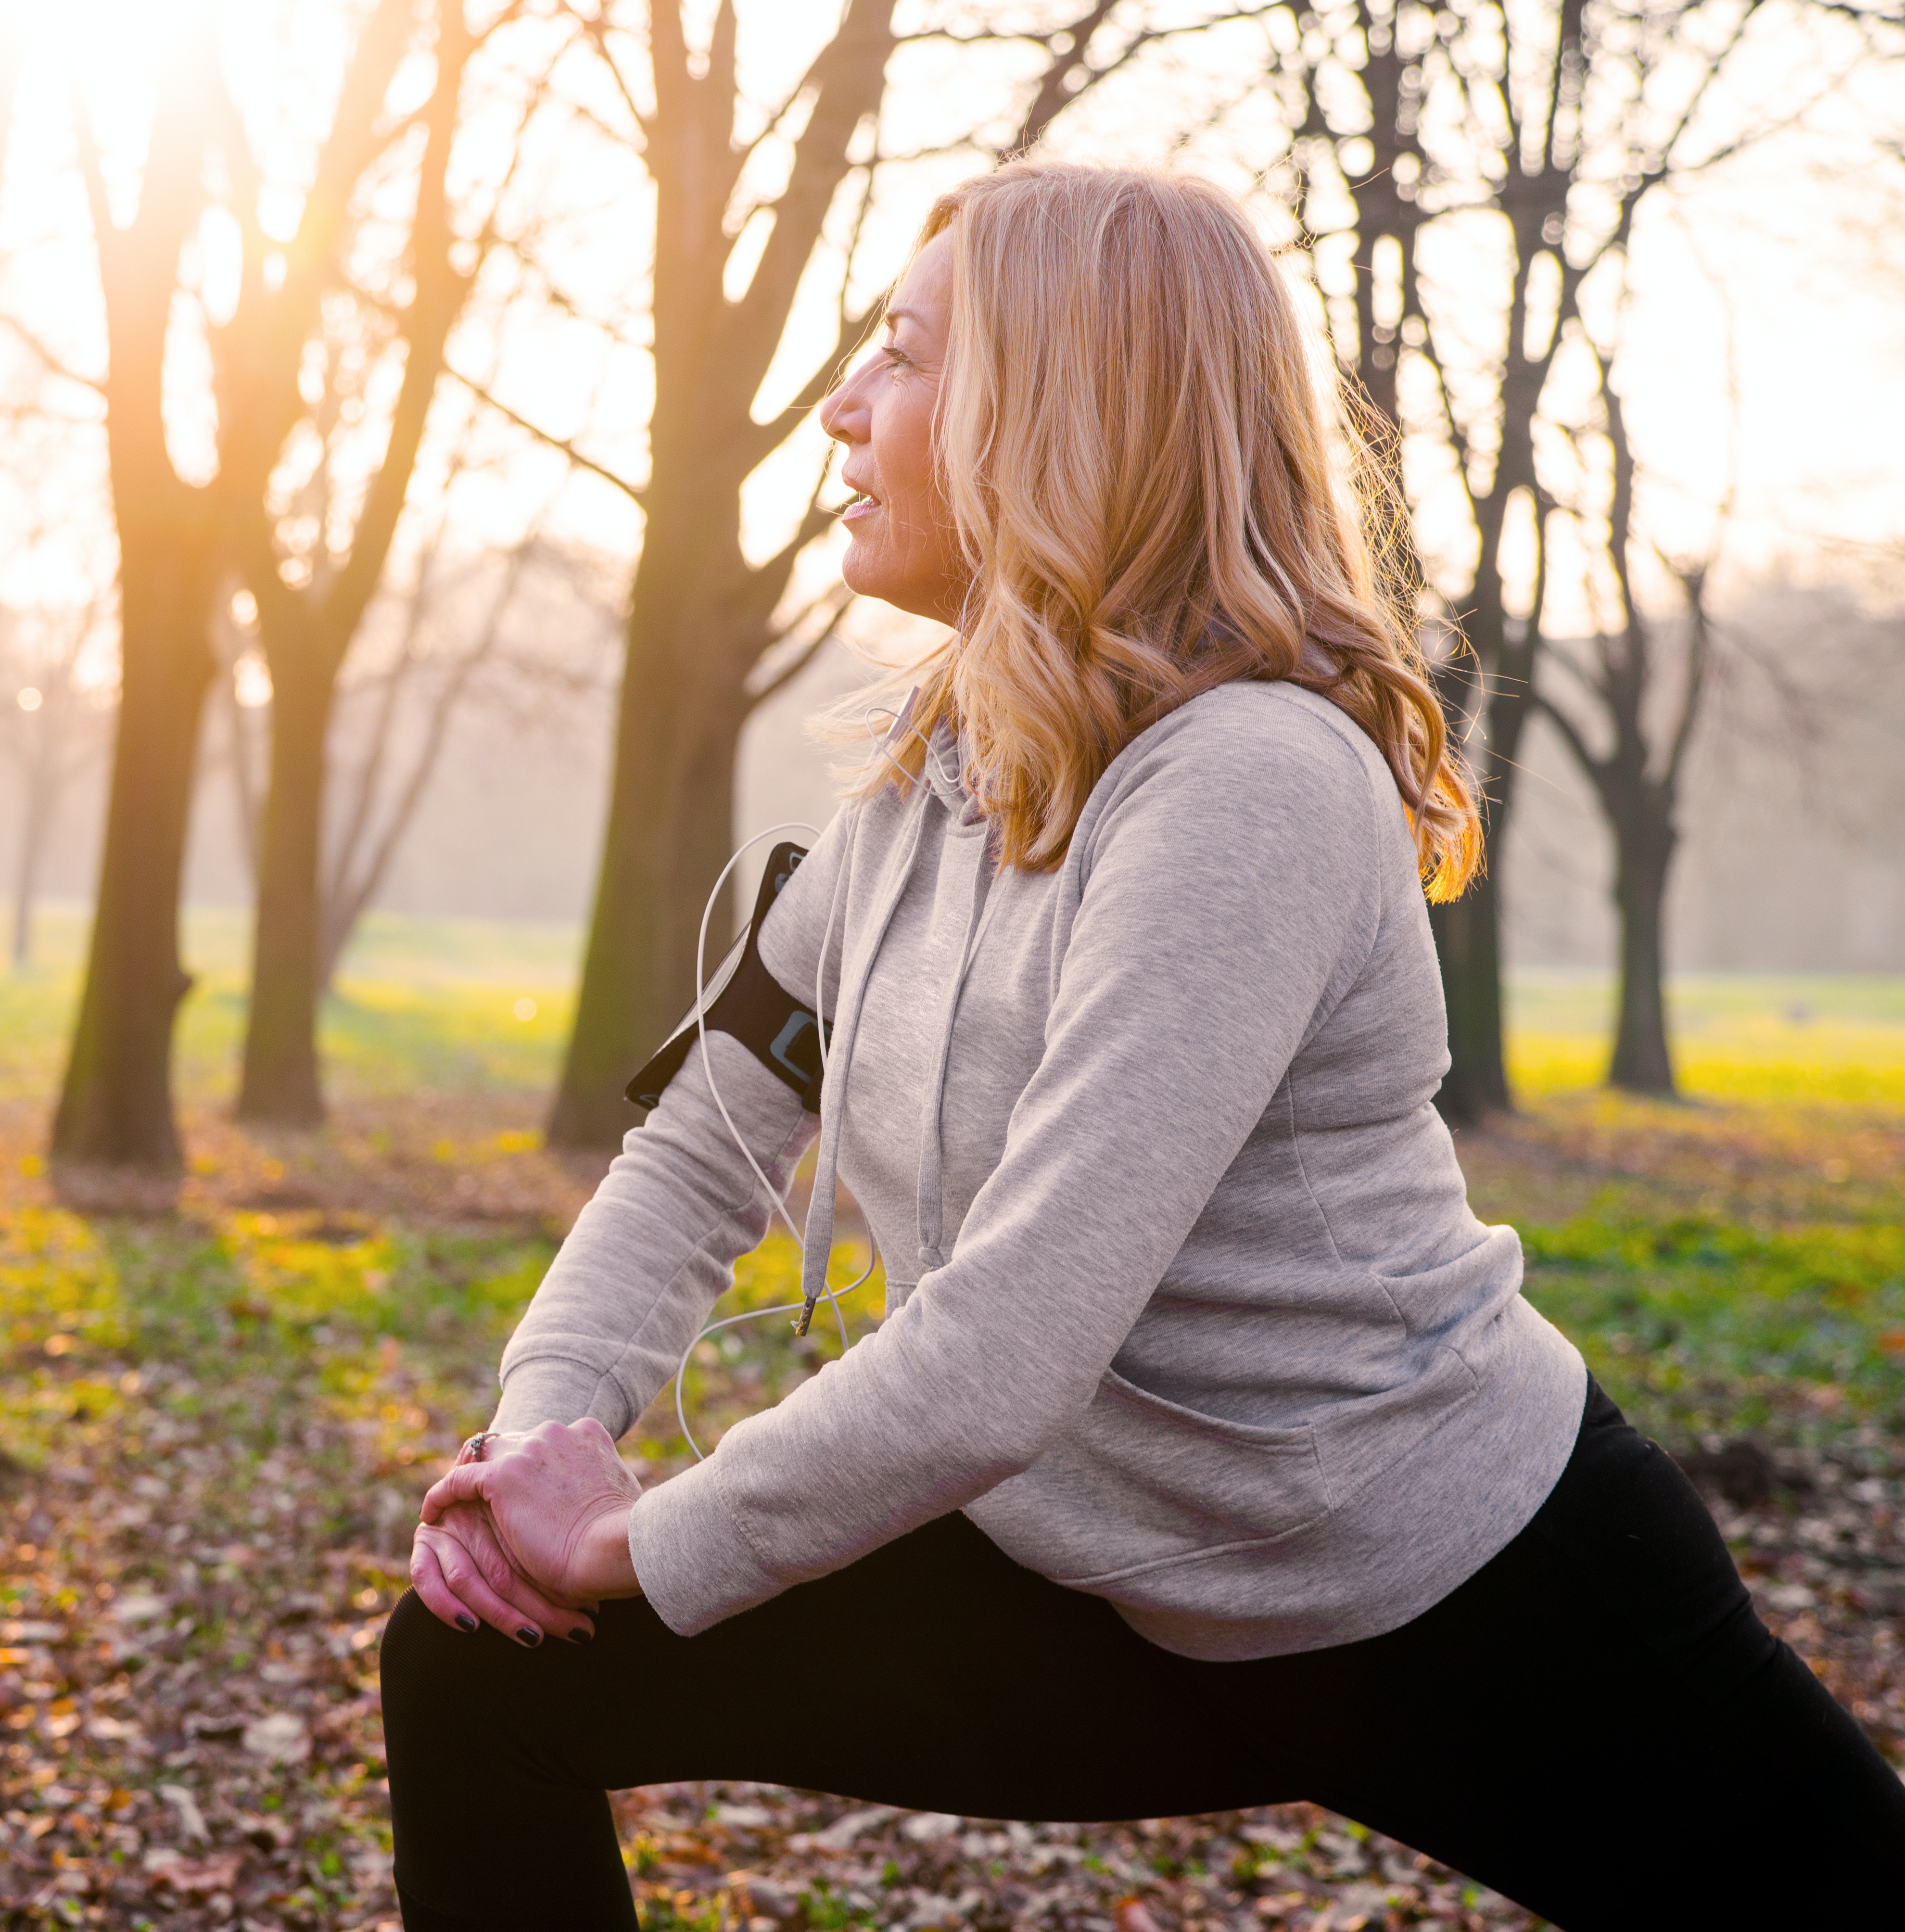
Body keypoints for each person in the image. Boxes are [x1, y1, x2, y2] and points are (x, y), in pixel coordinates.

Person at [378, 162, 1905, 1931]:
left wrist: (633, 1543)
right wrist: (536, 1454)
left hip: (1455, 1585)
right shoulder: (926, 794)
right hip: (1095, 1591)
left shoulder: (1248, 781)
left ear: (1064, 407)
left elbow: (1007, 1344)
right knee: (482, 1668)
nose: (839, 405)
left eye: (900, 352)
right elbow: (700, 1148)